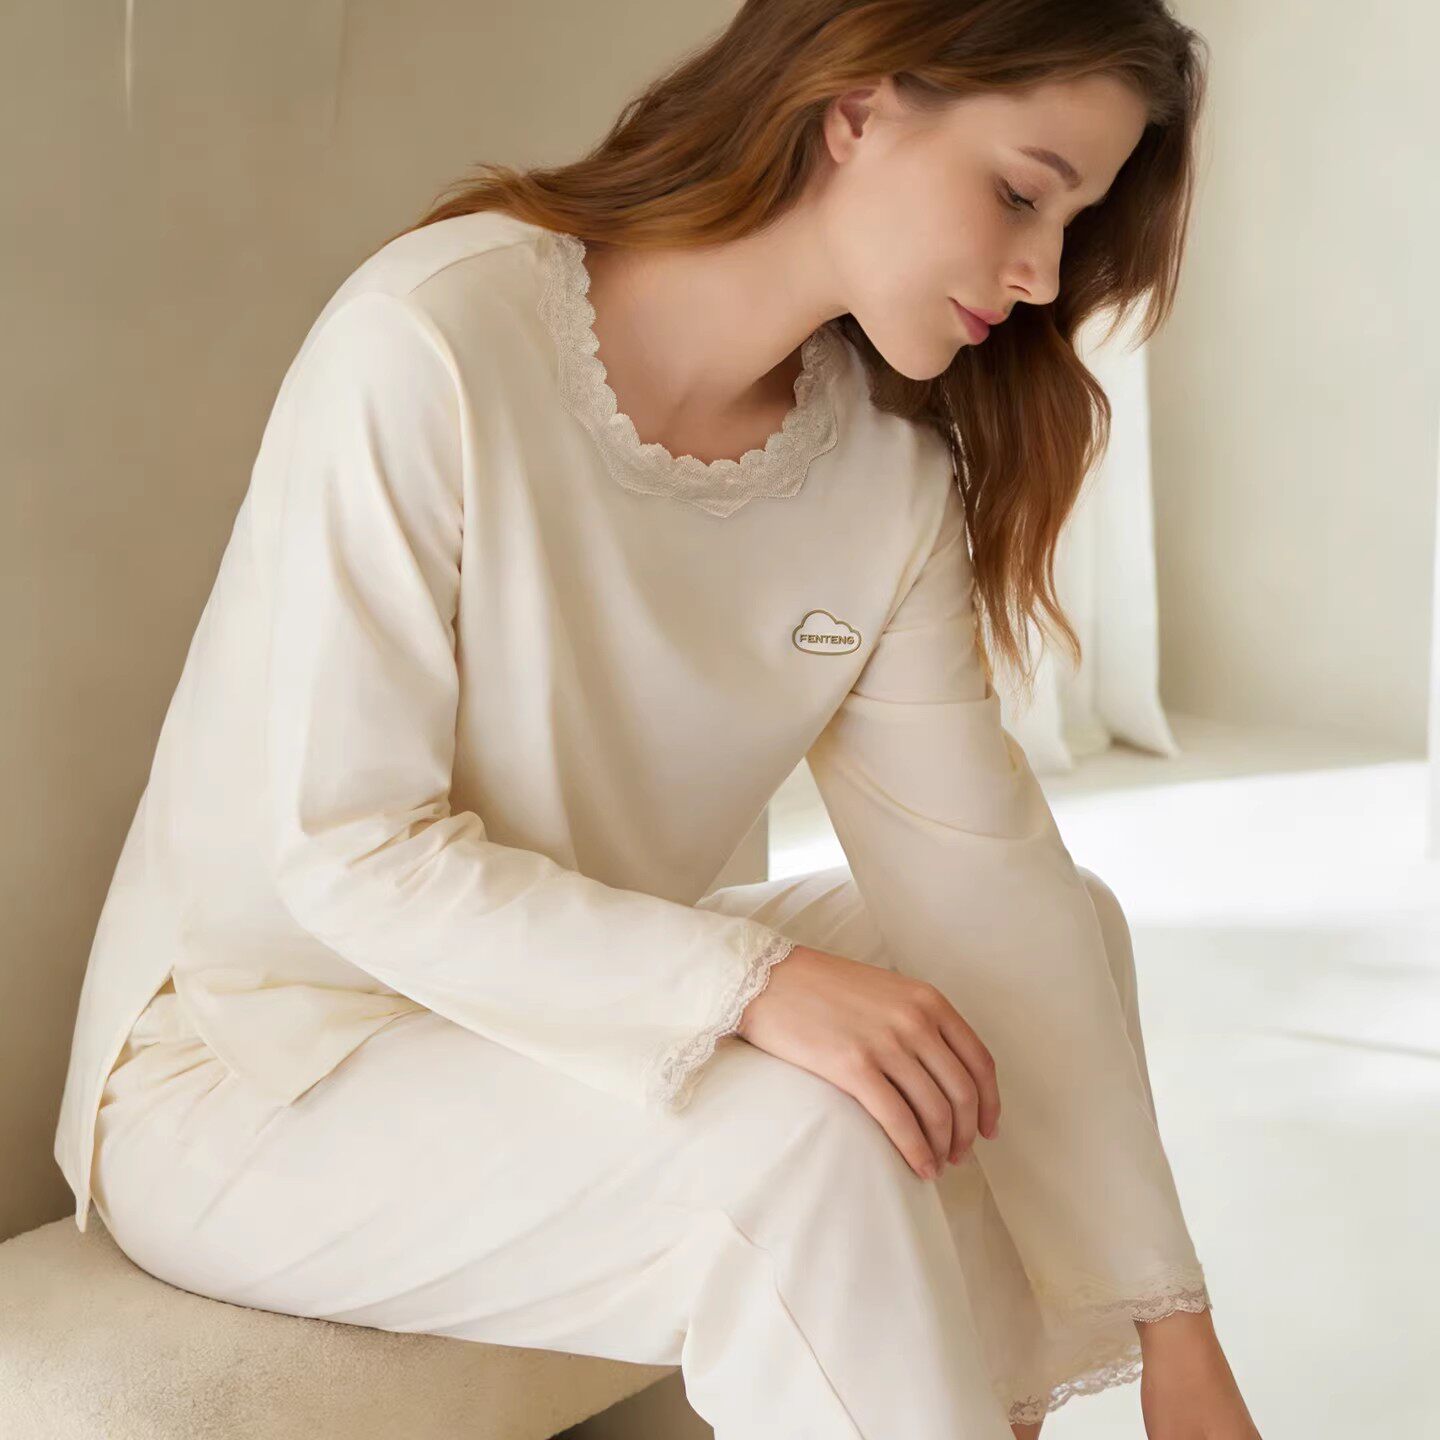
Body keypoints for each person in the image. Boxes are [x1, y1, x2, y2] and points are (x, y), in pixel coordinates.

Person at [54, 2, 1263, 1436]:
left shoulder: (884, 473)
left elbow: (983, 882)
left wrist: (1178, 1336)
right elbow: (350, 851)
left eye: (1074, 224)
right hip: (256, 1069)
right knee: (804, 1146)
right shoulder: (430, 339)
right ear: (857, 108)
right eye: (1019, 193)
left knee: (1052, 938)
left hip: (549, 1022)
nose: (1043, 273)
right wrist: (748, 983)